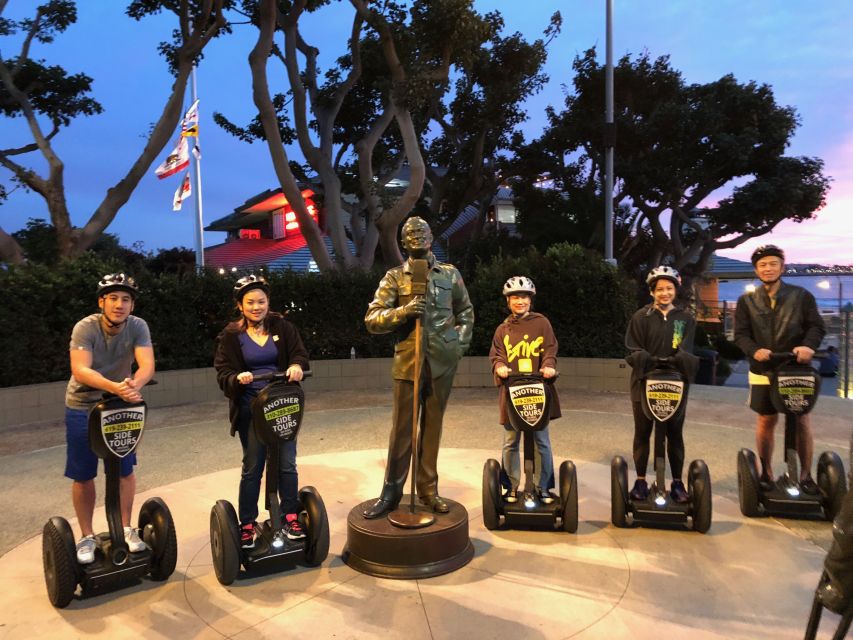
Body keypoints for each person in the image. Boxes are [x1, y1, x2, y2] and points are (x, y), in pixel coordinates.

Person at [362, 217, 475, 519]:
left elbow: (465, 311)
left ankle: (428, 490)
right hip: (409, 360)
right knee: (402, 430)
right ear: (403, 242)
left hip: (442, 361)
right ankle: (391, 492)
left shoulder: (450, 275)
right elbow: (373, 319)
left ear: (431, 237)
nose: (416, 235)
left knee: (432, 428)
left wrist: (458, 345)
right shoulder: (395, 277)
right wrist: (403, 311)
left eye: (421, 231)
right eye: (409, 232)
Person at [65, 273, 155, 564]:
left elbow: (146, 366)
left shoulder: (138, 326)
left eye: (126, 299)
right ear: (102, 301)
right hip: (83, 404)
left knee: (124, 469)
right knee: (83, 472)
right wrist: (114, 386)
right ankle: (87, 535)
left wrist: (134, 385)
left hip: (119, 403)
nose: (120, 304)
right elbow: (81, 370)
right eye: (113, 298)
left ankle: (127, 529)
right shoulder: (85, 328)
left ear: (132, 304)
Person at [214, 275, 309, 547]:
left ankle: (289, 514)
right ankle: (247, 522)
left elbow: (299, 354)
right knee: (253, 465)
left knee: (287, 463)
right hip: (251, 407)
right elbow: (223, 371)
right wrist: (237, 378)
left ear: (268, 302)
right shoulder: (231, 336)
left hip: (282, 404)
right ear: (240, 306)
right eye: (250, 302)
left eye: (261, 301)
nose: (256, 307)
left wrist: (297, 366)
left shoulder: (283, 327)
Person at [734, 244, 826, 493]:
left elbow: (816, 327)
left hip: (795, 368)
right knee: (766, 419)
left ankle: (805, 475)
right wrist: (754, 350)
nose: (768, 268)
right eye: (762, 265)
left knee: (802, 419)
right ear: (756, 270)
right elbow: (741, 334)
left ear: (782, 267)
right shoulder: (747, 301)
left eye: (773, 263)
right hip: (763, 369)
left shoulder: (801, 296)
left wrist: (808, 346)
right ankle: (766, 473)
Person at [624, 266, 698, 503]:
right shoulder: (641, 317)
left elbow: (688, 349)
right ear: (652, 292)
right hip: (643, 383)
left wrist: (678, 361)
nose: (664, 293)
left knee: (674, 433)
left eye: (669, 288)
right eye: (659, 289)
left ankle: (676, 482)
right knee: (642, 432)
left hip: (675, 384)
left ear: (675, 290)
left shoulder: (685, 319)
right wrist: (646, 359)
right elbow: (632, 348)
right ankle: (641, 480)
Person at [489, 276, 561, 504]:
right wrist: (499, 366)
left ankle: (543, 487)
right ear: (508, 301)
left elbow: (550, 349)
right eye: (515, 297)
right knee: (511, 440)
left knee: (542, 440)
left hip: (538, 390)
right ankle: (511, 486)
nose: (520, 301)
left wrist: (548, 365)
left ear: (531, 299)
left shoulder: (542, 323)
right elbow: (496, 354)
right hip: (512, 392)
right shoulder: (503, 329)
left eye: (524, 297)